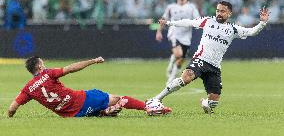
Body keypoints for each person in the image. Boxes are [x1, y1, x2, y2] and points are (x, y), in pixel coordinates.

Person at [151, 1, 270, 114]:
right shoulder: (208, 21)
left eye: (222, 11)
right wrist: (169, 23)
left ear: (229, 13)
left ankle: (205, 102)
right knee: (186, 77)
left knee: (212, 103)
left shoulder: (233, 29)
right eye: (217, 10)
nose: (219, 13)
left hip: (214, 67)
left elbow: (252, 32)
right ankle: (157, 98)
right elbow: (189, 22)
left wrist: (262, 23)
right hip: (200, 60)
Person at [8, 56, 172, 117]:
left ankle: (102, 111)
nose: (44, 65)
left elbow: (12, 108)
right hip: (81, 100)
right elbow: (71, 68)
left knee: (106, 106)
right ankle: (148, 108)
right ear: (39, 67)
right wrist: (93, 61)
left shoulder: (28, 89)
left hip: (70, 114)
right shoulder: (48, 73)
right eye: (42, 63)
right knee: (117, 99)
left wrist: (10, 117)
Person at [155, 0, 200, 85]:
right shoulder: (171, 7)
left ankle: (172, 67)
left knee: (181, 59)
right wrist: (159, 32)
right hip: (174, 33)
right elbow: (163, 19)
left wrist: (198, 25)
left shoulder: (192, 7)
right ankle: (170, 80)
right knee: (178, 54)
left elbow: (198, 20)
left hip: (186, 36)